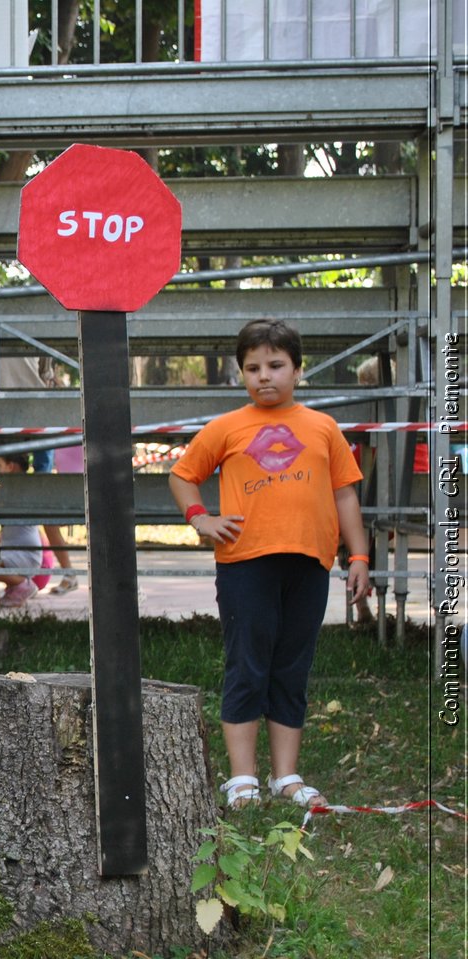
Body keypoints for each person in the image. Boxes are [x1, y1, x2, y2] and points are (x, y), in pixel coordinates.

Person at [169, 318, 370, 811]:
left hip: (309, 564)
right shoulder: (226, 428)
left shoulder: (323, 429)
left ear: (298, 371)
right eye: (252, 367)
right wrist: (201, 518)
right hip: (245, 564)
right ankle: (242, 779)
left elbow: (345, 495)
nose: (264, 376)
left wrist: (359, 553)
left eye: (276, 366)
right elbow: (182, 474)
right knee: (248, 664)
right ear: (240, 374)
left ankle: (287, 776)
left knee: (291, 667)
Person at [0, 452, 45, 608]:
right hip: (25, 553)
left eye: (0, 466)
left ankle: (24, 585)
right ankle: (16, 587)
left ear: (10, 467)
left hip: (24, 555)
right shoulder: (20, 490)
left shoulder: (13, 493)